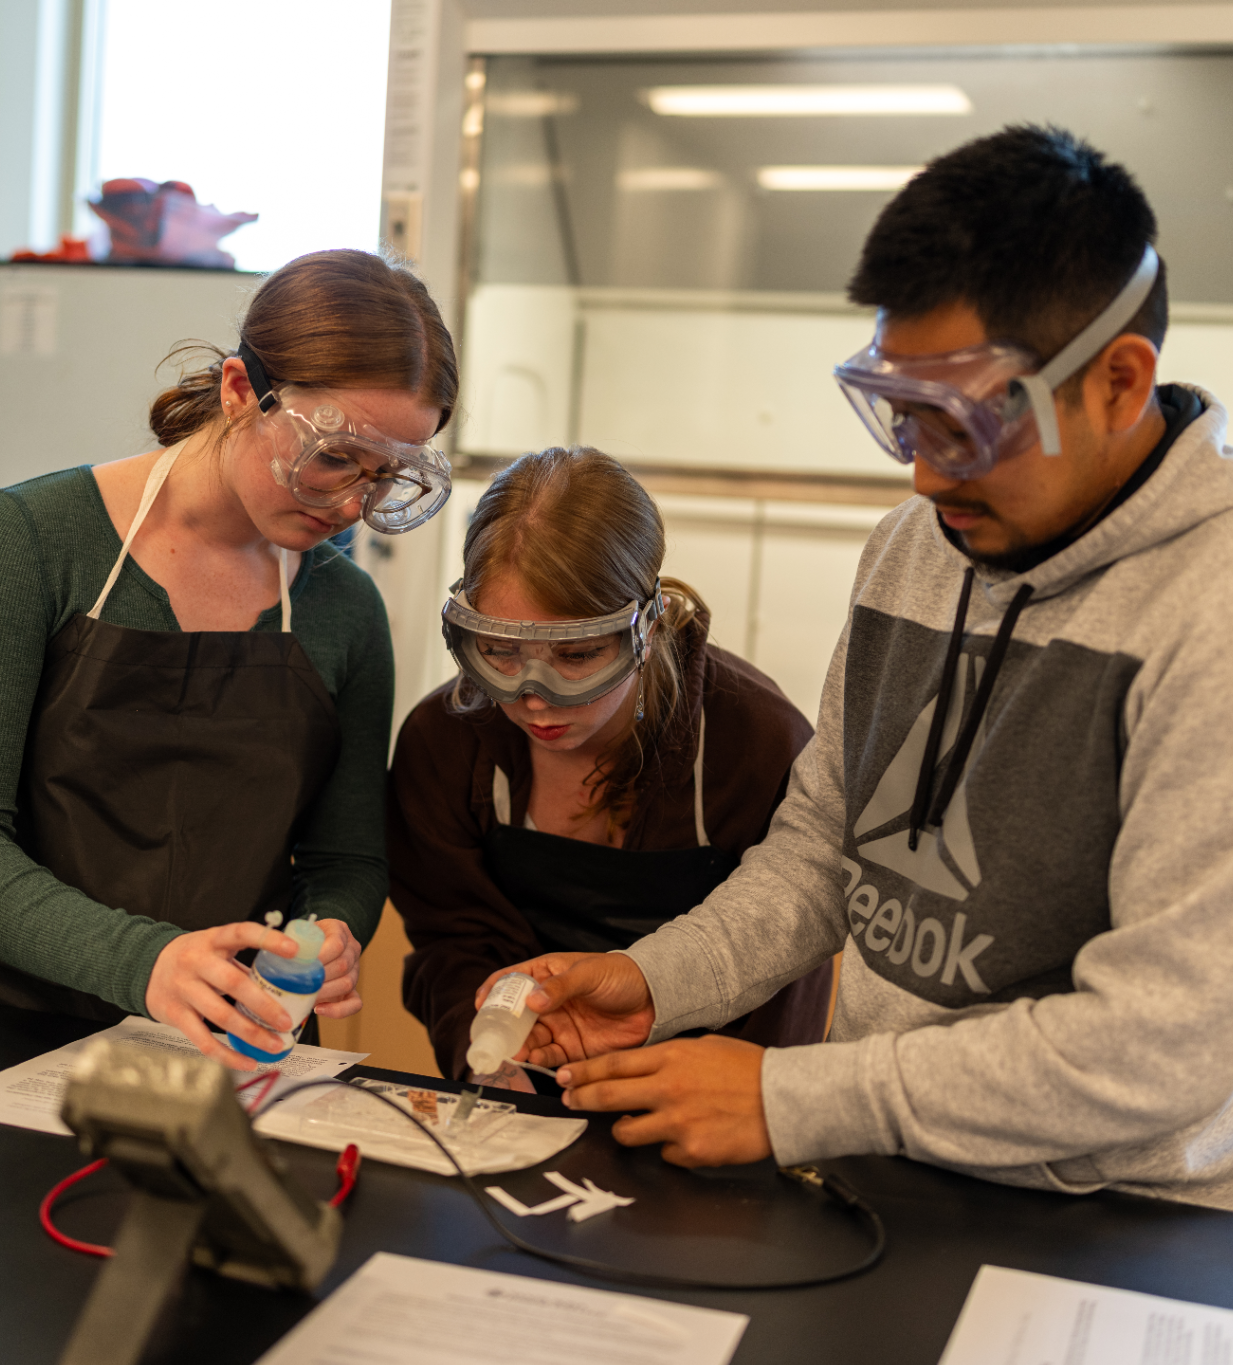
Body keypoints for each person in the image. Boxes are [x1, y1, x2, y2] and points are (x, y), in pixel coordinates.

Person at [485, 126, 1233, 1208]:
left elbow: (1163, 1040)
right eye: (898, 416)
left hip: (1121, 1218)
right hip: (887, 1167)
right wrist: (656, 981)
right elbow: (826, 853)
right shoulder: (915, 550)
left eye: (966, 425)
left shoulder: (1207, 612)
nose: (927, 475)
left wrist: (797, 1099)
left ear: (1118, 381)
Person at [0, 248, 458, 1071]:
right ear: (241, 391)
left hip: (231, 1049)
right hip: (2, 1032)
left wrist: (336, 927)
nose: (351, 505)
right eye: (335, 456)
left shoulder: (342, 609)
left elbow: (345, 858)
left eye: (387, 475)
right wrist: (147, 963)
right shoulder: (30, 544)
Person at [388, 447, 833, 1084]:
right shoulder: (447, 743)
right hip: (526, 1084)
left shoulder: (752, 743)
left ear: (645, 629)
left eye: (576, 656)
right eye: (498, 653)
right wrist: (485, 1053)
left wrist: (733, 1106)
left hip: (706, 1096)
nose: (532, 695)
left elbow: (781, 953)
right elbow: (452, 941)